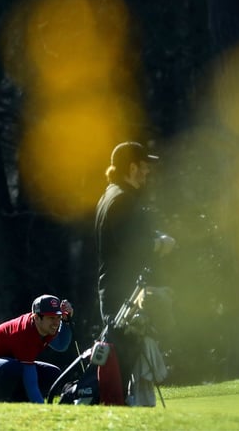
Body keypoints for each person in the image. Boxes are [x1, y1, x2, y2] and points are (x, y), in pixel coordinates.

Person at [94, 141, 174, 406]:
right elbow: (131, 247)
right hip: (123, 296)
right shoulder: (122, 199)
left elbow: (128, 235)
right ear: (131, 167)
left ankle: (122, 410)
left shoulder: (112, 194)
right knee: (124, 363)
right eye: (143, 166)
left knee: (124, 362)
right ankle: (115, 412)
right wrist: (160, 244)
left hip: (117, 292)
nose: (147, 172)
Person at [0, 295, 74, 403]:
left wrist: (65, 322)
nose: (56, 322)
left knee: (53, 373)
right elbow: (31, 382)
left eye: (58, 317)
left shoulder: (46, 326)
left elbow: (61, 345)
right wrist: (42, 408)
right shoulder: (25, 332)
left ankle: (21, 406)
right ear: (36, 317)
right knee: (14, 369)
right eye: (51, 317)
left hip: (9, 366)